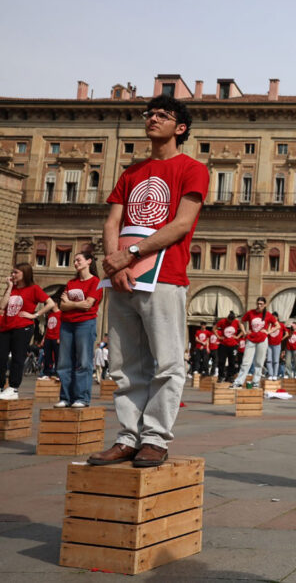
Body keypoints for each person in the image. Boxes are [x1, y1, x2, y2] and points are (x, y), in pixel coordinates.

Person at [89, 94, 209, 468]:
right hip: (122, 277)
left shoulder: (193, 169)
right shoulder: (131, 172)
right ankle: (128, 437)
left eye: (162, 115)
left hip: (165, 275)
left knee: (168, 362)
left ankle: (155, 438)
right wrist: (115, 264)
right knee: (124, 363)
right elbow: (112, 222)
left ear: (180, 127)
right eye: (150, 113)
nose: (152, 118)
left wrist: (130, 254)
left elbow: (181, 224)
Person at [0, 263, 56, 400]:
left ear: (24, 273)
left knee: (17, 358)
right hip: (6, 327)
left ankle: (13, 388)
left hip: (23, 327)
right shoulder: (12, 288)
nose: (13, 275)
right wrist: (9, 287)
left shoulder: (34, 288)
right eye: (12, 272)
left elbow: (50, 303)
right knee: (1, 357)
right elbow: (2, 306)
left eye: (16, 272)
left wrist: (35, 315)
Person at [57, 250, 104, 407]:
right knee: (64, 362)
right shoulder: (71, 282)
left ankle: (81, 398)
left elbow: (88, 305)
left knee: (83, 361)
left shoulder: (95, 282)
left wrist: (70, 303)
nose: (75, 263)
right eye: (74, 261)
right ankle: (65, 397)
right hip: (66, 324)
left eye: (78, 260)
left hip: (85, 323)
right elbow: (62, 306)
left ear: (89, 261)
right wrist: (76, 305)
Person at [231, 297, 276, 388]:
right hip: (251, 339)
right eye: (258, 303)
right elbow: (241, 322)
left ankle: (255, 381)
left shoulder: (268, 314)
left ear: (265, 305)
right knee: (246, 361)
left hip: (262, 340)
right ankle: (239, 382)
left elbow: (277, 325)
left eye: (261, 304)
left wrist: (268, 332)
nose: (259, 305)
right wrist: (244, 332)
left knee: (259, 362)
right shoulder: (250, 312)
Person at [215, 311, 240, 383]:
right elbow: (214, 328)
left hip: (233, 345)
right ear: (227, 318)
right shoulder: (222, 321)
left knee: (232, 361)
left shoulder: (236, 322)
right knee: (221, 361)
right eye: (229, 320)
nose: (230, 322)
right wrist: (218, 337)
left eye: (232, 321)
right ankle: (221, 376)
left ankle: (230, 376)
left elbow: (242, 328)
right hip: (224, 344)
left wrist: (238, 336)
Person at [41, 300, 61, 379]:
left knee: (57, 356)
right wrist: (43, 338)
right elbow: (47, 327)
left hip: (56, 338)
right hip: (48, 338)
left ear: (56, 304)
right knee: (47, 356)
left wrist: (60, 337)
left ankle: (57, 373)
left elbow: (63, 326)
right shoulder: (50, 314)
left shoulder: (61, 314)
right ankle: (47, 373)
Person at [266, 311, 284, 381]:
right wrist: (270, 324)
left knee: (276, 360)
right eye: (272, 317)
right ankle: (270, 374)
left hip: (277, 344)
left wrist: (281, 338)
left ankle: (275, 374)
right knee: (269, 360)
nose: (274, 318)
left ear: (277, 317)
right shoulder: (269, 325)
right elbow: (267, 332)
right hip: (269, 344)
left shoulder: (281, 325)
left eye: (275, 317)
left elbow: (287, 333)